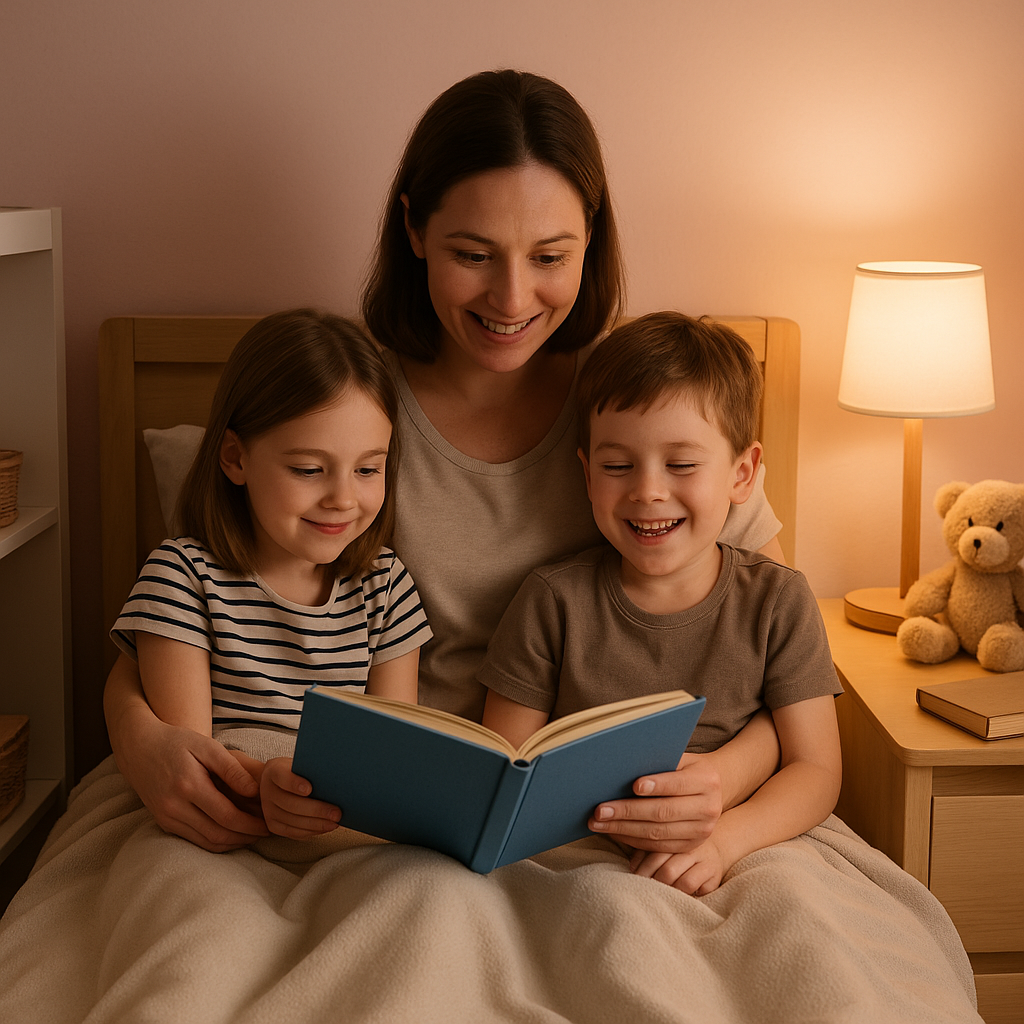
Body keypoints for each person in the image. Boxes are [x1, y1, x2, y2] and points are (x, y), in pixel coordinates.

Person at [104, 69, 785, 855]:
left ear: (590, 239)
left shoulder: (648, 413)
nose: (512, 297)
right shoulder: (344, 411)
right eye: (473, 253)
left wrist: (723, 782)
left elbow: (778, 650)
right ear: (415, 231)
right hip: (376, 812)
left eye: (551, 255)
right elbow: (186, 603)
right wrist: (139, 739)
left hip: (592, 816)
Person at [479, 312, 843, 895]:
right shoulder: (552, 601)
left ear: (742, 474)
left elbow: (817, 771)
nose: (648, 490)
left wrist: (727, 840)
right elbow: (504, 770)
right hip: (582, 850)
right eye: (617, 465)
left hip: (741, 838)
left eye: (681, 464)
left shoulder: (779, 599)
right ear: (587, 474)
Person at [109, 309, 430, 839]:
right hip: (217, 823)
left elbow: (391, 755)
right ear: (235, 458)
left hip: (339, 824)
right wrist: (269, 785)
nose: (343, 499)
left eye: (369, 468)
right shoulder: (181, 578)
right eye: (308, 469)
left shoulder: (387, 588)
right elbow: (194, 766)